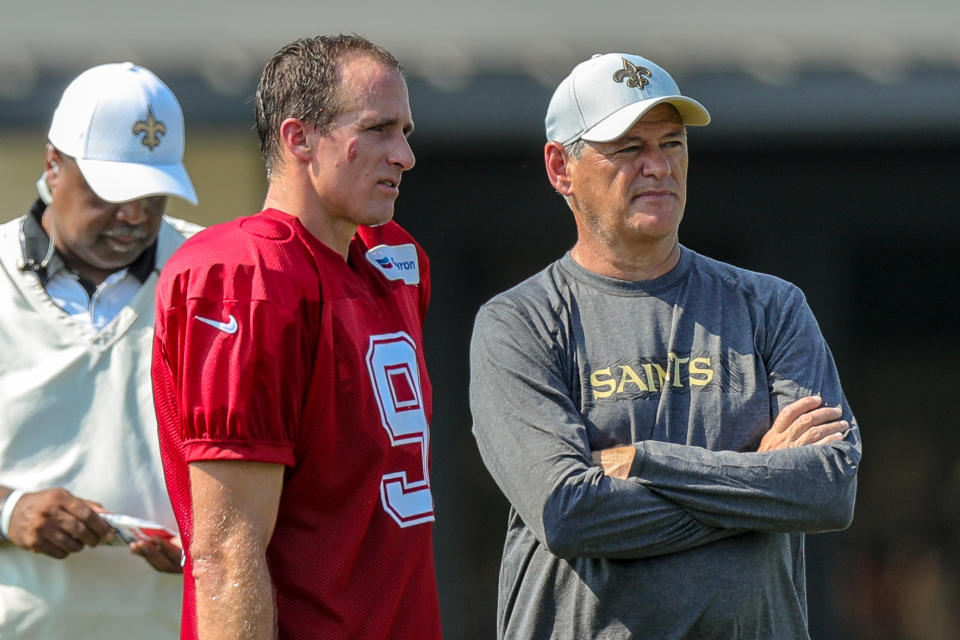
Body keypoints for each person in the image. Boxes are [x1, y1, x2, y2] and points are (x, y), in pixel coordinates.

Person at [469, 52, 862, 639]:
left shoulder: (771, 307)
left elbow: (827, 489)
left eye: (673, 144)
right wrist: (759, 482)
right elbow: (569, 513)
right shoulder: (519, 322)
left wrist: (646, 463)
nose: (657, 166)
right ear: (560, 168)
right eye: (629, 148)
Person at [152, 34, 443, 640]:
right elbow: (227, 553)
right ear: (299, 138)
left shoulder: (394, 258)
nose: (405, 155)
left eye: (406, 131)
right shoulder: (242, 277)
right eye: (379, 129)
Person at [0, 62, 201, 637]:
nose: (135, 215)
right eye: (114, 191)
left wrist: (212, 543)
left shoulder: (215, 274)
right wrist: (9, 510)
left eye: (153, 191)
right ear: (53, 165)